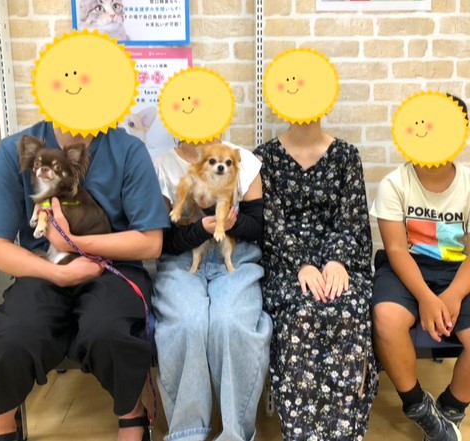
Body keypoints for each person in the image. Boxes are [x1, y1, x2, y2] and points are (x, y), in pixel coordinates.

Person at [0, 31, 169, 441]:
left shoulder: (128, 151)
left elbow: (150, 242)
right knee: (13, 334)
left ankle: (131, 414)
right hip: (40, 271)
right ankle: (0, 422)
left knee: (109, 330)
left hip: (113, 270)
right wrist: (56, 271)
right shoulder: (15, 151)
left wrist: (76, 245)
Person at [254, 120, 378, 441]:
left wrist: (337, 259)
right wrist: (302, 264)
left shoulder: (346, 156)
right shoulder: (264, 158)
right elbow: (271, 223)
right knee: (301, 311)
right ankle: (301, 432)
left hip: (341, 261)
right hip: (286, 264)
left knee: (347, 308)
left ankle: (346, 431)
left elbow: (353, 219)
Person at [151, 138, 272, 441]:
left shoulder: (242, 159)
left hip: (233, 255)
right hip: (182, 259)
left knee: (232, 324)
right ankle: (186, 433)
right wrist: (199, 228)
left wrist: (227, 223)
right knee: (186, 323)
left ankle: (235, 434)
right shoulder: (163, 166)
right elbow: (163, 240)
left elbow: (257, 229)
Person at [371, 93, 470, 441]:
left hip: (458, 269)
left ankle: (451, 407)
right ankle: (418, 406)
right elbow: (396, 249)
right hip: (407, 267)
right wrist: (427, 297)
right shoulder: (394, 184)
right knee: (386, 317)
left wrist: (453, 295)